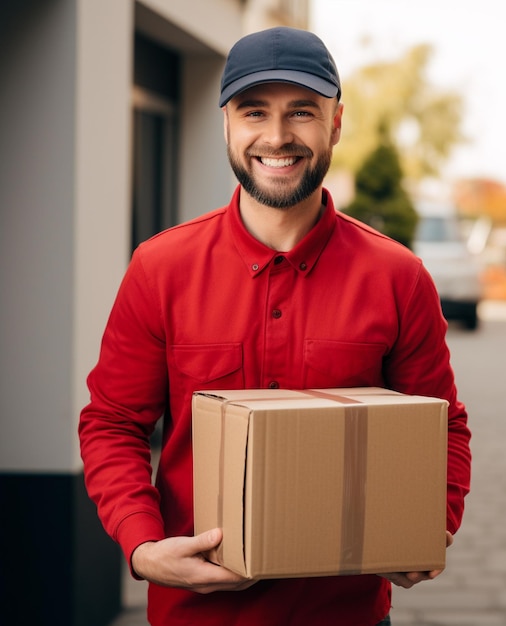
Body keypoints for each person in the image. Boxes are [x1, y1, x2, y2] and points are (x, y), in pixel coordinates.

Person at [79, 26, 471, 626]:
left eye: (303, 112)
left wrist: (428, 524)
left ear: (336, 123)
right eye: (254, 111)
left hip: (347, 615)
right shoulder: (161, 269)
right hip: (196, 616)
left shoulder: (398, 277)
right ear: (228, 125)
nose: (277, 136)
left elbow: (444, 425)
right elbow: (111, 423)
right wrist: (143, 546)